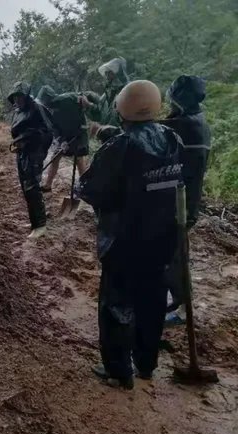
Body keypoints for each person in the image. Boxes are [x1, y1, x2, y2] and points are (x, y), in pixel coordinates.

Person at [76, 80, 183, 389]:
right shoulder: (172, 139)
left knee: (117, 304)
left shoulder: (120, 147)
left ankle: (119, 370)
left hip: (124, 239)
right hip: (163, 238)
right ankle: (146, 364)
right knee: (151, 301)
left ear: (122, 108)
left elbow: (92, 189)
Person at [160, 75, 211, 326]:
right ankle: (179, 300)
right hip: (182, 199)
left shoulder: (187, 126)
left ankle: (182, 307)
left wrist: (105, 130)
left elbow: (153, 131)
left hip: (181, 203)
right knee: (175, 253)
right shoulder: (195, 120)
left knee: (173, 255)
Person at [7, 82, 53, 239]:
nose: (17, 100)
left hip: (34, 152)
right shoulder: (18, 110)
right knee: (25, 187)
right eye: (15, 97)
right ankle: (34, 221)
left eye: (20, 96)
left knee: (32, 187)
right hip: (22, 152)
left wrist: (36, 148)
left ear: (26, 96)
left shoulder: (37, 108)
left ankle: (40, 225)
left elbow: (47, 132)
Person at [36, 85, 90, 192]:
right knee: (55, 157)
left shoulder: (67, 98)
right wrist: (62, 141)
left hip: (78, 133)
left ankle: (85, 187)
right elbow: (54, 128)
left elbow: (81, 96)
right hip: (65, 136)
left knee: (79, 159)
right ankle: (47, 185)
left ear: (51, 98)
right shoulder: (48, 111)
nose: (46, 104)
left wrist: (83, 99)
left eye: (46, 101)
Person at [82, 57, 130, 128]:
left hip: (124, 136)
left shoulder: (129, 91)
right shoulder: (108, 93)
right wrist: (88, 106)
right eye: (106, 73)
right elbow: (100, 114)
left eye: (110, 73)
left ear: (119, 72)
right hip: (109, 136)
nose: (107, 76)